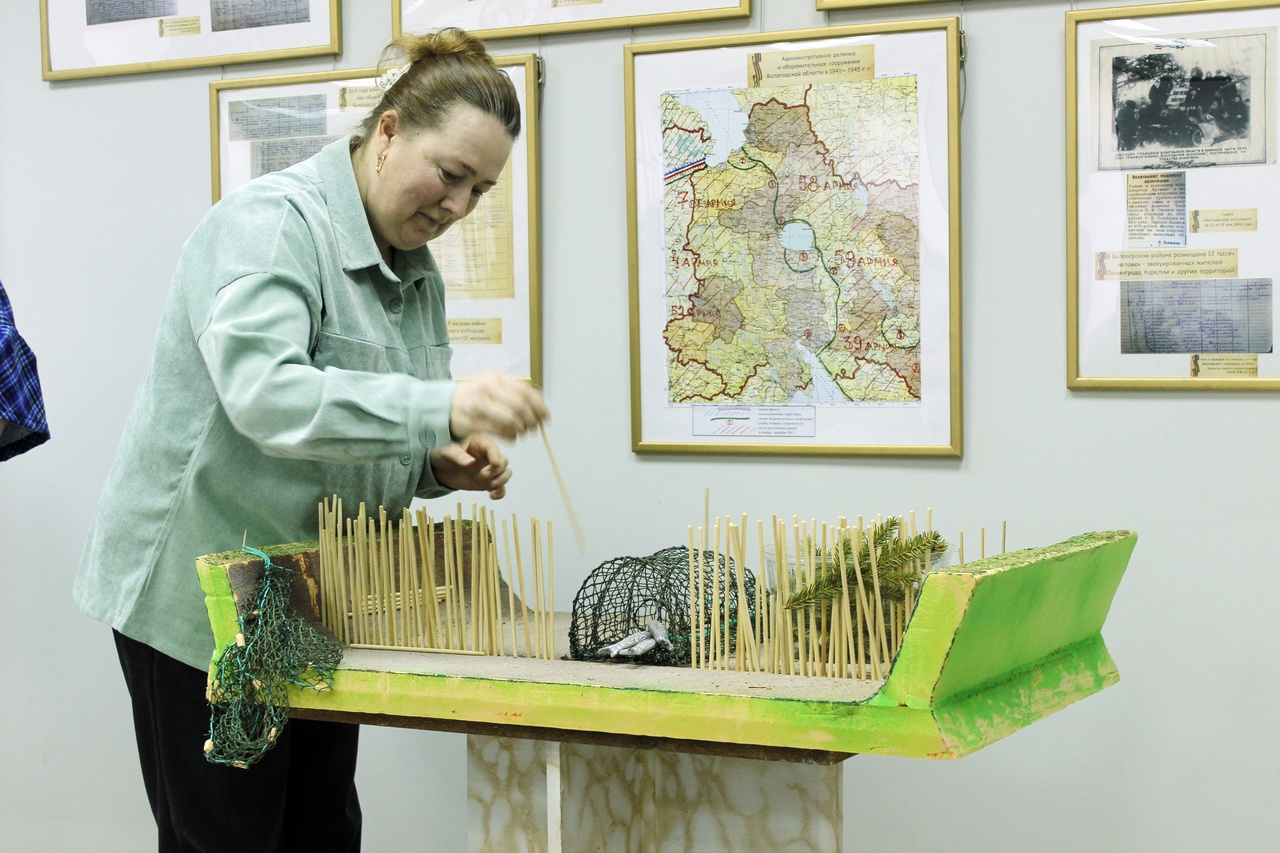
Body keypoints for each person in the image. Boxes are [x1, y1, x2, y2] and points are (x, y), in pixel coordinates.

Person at [75, 28, 548, 853]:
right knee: (227, 837)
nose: (459, 206)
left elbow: (357, 425)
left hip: (311, 600)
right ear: (388, 131)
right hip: (205, 607)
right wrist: (440, 407)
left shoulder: (413, 267)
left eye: (480, 189)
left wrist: (434, 465)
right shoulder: (271, 226)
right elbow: (268, 397)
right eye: (450, 174)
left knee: (323, 830)